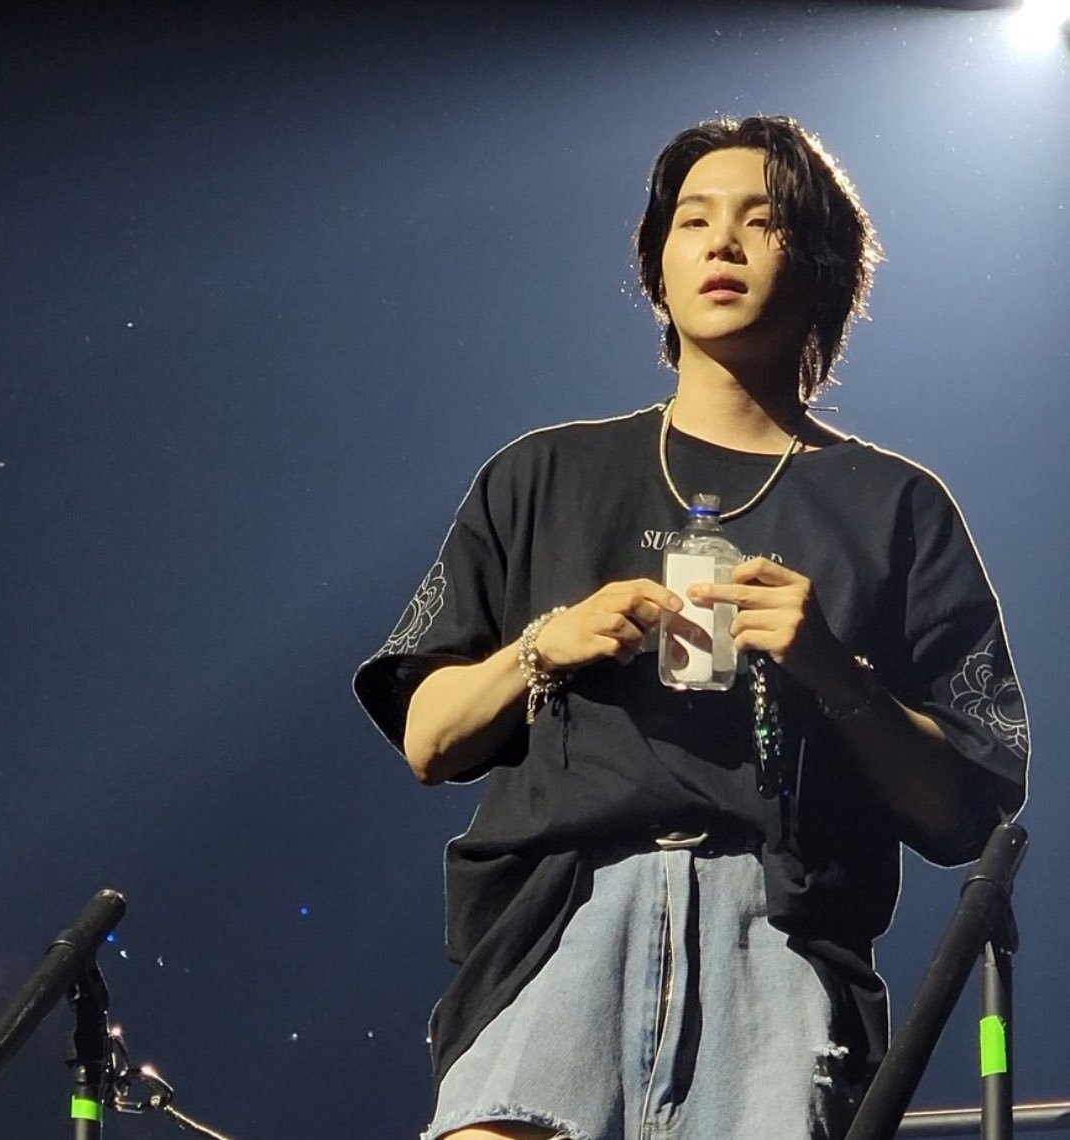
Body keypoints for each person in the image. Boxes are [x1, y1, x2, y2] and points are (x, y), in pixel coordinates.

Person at [353, 116, 1029, 1140]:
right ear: (657, 270)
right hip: (556, 929)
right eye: (694, 220)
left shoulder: (895, 505)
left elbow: (962, 810)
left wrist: (834, 672)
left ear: (823, 267)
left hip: (777, 949)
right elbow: (428, 738)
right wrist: (542, 646)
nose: (722, 242)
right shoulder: (544, 474)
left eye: (762, 220)